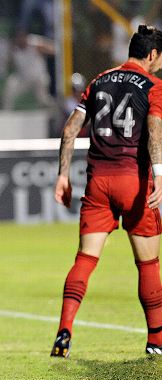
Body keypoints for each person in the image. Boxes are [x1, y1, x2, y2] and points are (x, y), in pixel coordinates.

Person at [51, 24, 162, 358]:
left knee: (85, 259)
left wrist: (62, 176)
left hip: (98, 182)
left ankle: (64, 331)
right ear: (152, 54)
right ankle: (156, 341)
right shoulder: (154, 86)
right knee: (148, 264)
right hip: (134, 182)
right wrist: (159, 175)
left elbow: (70, 130)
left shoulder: (99, 80)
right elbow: (154, 130)